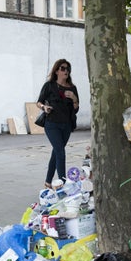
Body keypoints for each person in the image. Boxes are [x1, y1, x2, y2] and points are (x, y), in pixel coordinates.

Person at [36, 59, 80, 188]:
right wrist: (44, 107)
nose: (66, 71)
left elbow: (76, 108)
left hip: (66, 126)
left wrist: (74, 98)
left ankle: (48, 182)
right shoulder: (49, 85)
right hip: (52, 124)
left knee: (56, 153)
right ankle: (64, 183)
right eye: (63, 68)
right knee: (60, 153)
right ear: (56, 71)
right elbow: (39, 102)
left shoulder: (73, 88)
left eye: (68, 69)